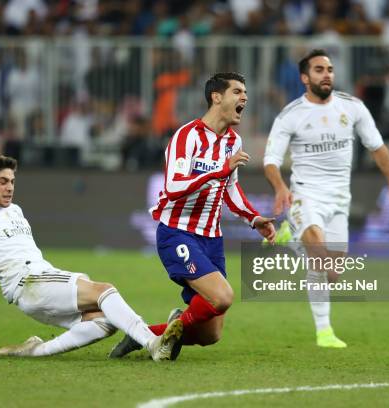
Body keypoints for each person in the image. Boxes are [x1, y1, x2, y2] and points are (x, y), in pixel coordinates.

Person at [0, 155, 182, 361]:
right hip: (28, 282)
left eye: (12, 181)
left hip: (40, 282)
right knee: (104, 290)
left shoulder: (15, 209)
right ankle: (153, 344)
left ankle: (34, 351)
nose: (10, 187)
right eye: (3, 181)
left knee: (106, 321)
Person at [109, 72, 276, 359]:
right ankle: (159, 341)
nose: (244, 97)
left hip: (212, 239)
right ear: (217, 97)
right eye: (237, 91)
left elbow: (230, 188)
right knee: (223, 297)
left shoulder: (232, 142)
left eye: (245, 92)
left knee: (210, 334)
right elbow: (174, 186)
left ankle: (144, 334)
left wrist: (253, 218)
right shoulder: (187, 136)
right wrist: (219, 170)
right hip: (178, 232)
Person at [263, 49, 389, 348]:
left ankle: (290, 238)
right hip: (306, 195)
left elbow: (377, 147)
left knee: (332, 273)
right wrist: (280, 188)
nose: (326, 74)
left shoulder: (352, 107)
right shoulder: (291, 114)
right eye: (318, 70)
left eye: (329, 69)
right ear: (305, 78)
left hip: (339, 199)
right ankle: (324, 331)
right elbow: (270, 160)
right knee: (319, 255)